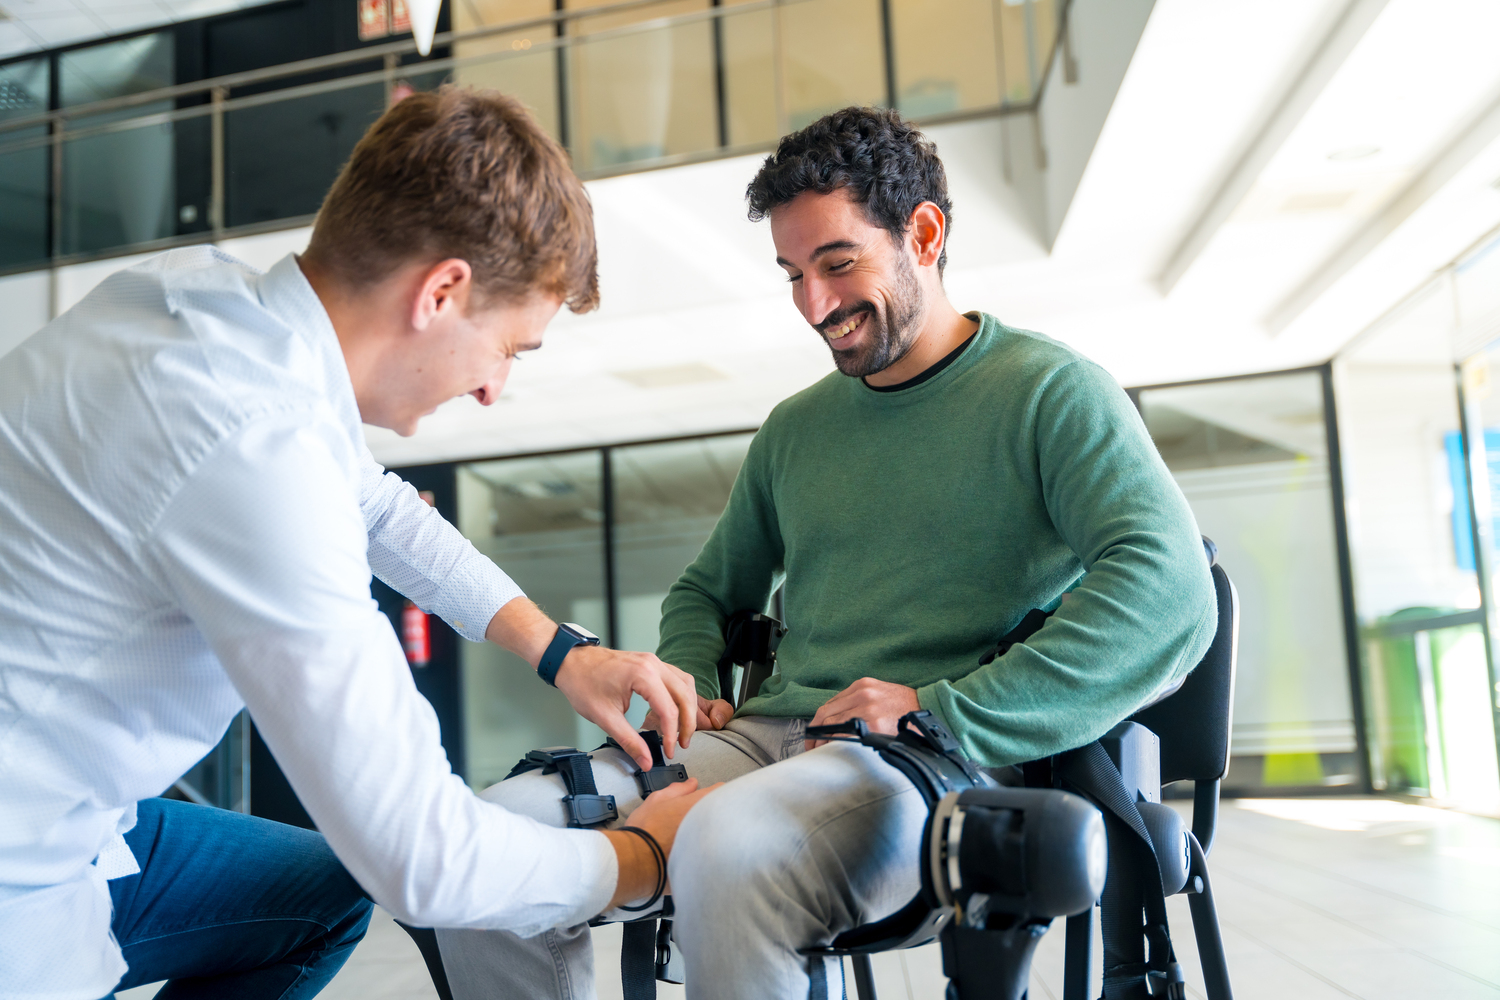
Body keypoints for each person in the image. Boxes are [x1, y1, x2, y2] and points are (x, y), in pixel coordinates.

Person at [436, 106, 1218, 1000]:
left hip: (936, 762)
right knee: (491, 847)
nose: (815, 305)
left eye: (838, 263)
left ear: (924, 233)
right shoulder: (795, 430)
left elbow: (1169, 591)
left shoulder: (1049, 393)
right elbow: (704, 590)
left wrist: (944, 708)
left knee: (728, 848)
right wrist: (688, 690)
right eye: (793, 273)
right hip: (765, 743)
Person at [0, 88, 715, 1000]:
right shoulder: (256, 448)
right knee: (365, 874)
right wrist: (636, 860)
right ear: (442, 291)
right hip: (19, 864)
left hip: (70, 797)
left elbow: (377, 508)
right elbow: (417, 855)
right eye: (509, 348)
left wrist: (561, 652)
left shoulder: (204, 299)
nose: (496, 389)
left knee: (318, 895)